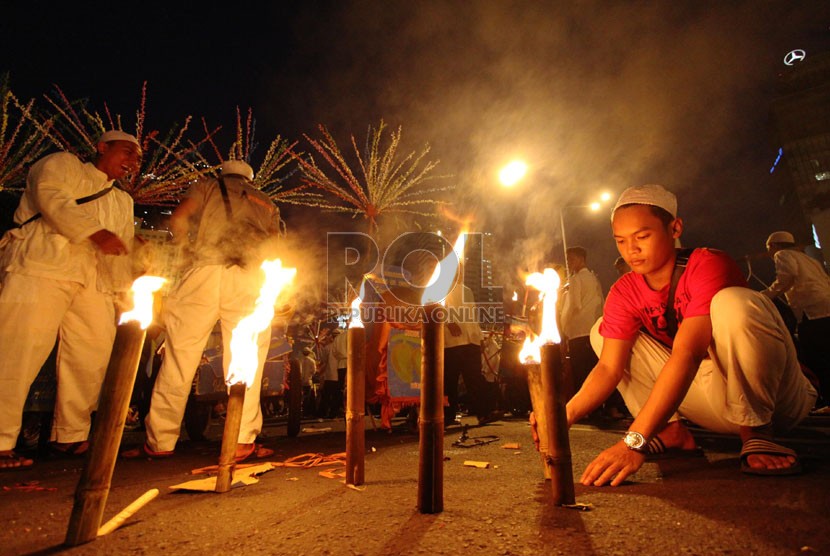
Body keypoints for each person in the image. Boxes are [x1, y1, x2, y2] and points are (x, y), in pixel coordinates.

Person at [566, 184, 816, 486]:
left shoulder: (707, 263)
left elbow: (688, 353)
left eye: (642, 236)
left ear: (675, 228)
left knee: (735, 302)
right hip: (711, 402)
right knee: (601, 330)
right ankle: (671, 432)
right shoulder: (624, 291)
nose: (631, 249)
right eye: (621, 241)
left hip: (776, 401)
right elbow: (608, 368)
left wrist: (633, 441)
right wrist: (560, 418)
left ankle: (757, 433)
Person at [0, 130, 141, 470]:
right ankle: (1, 439)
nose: (132, 162)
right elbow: (52, 200)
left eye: (137, 158)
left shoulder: (123, 200)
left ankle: (71, 434)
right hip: (41, 266)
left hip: (91, 278)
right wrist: (96, 233)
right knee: (19, 350)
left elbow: (121, 248)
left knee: (93, 351)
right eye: (126, 152)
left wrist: (124, 292)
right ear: (102, 147)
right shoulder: (61, 164)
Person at [127, 160, 280, 462]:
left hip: (204, 272)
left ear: (222, 173)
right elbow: (276, 246)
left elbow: (179, 218)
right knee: (247, 357)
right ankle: (242, 439)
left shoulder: (207, 186)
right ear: (250, 177)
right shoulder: (266, 200)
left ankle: (160, 441)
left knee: (179, 357)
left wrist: (185, 249)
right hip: (248, 277)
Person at [762, 231, 830, 405]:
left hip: (811, 312)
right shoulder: (808, 259)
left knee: (817, 357)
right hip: (826, 308)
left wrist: (764, 296)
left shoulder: (782, 254)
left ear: (774, 246)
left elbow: (786, 277)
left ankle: (826, 400)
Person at [444, 282, 496, 427]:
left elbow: (472, 315)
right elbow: (436, 308)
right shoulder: (441, 286)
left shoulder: (467, 289)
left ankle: (484, 413)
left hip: (471, 340)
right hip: (452, 341)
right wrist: (448, 322)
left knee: (475, 379)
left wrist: (479, 338)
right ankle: (447, 417)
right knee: (449, 381)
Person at [559, 246, 604, 395]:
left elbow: (573, 305)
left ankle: (584, 408)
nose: (569, 263)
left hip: (578, 331)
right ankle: (597, 406)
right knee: (593, 369)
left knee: (580, 370)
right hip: (593, 331)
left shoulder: (575, 279)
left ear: (580, 259)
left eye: (570, 259)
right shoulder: (594, 279)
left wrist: (562, 326)